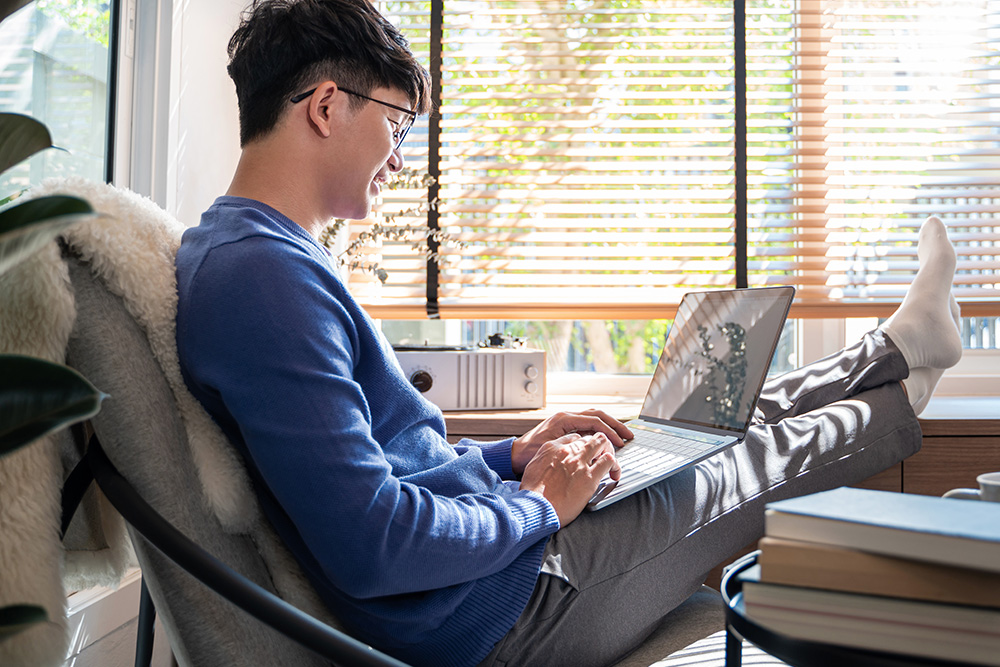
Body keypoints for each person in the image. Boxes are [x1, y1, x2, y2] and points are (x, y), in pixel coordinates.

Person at [174, 1, 964, 665]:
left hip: (493, 563)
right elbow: (376, 541)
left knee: (690, 426)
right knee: (739, 456)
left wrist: (514, 454)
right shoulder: (261, 280)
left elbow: (382, 473)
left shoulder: (259, 258)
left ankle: (897, 350)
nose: (400, 157)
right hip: (503, 611)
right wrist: (543, 506)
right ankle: (909, 382)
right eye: (397, 123)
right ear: (323, 106)